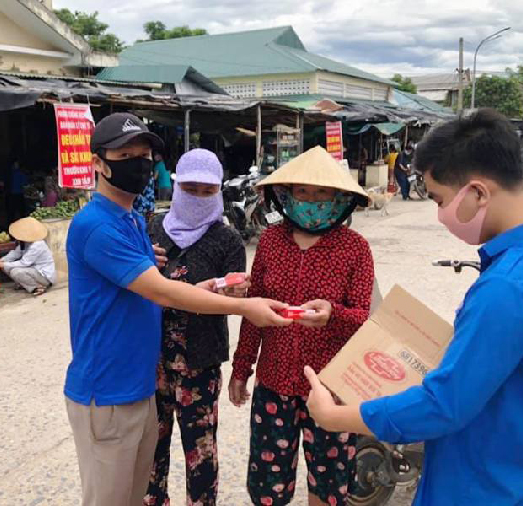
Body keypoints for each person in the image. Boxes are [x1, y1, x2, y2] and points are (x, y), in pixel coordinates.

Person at [304, 109, 523, 506]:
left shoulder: (509, 288)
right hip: (520, 478)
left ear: (478, 192)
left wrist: (334, 417)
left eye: (440, 200)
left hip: (475, 487)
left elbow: (443, 406)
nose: (440, 216)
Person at [64, 112, 290, 506]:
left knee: (142, 488)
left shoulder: (133, 223)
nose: (138, 164)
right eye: (124, 155)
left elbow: (149, 293)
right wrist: (246, 307)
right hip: (111, 389)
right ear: (98, 163)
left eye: (144, 156)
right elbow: (163, 292)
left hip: (143, 384)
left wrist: (205, 290)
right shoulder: (100, 226)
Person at [230, 146, 374, 506]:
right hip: (274, 384)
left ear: (339, 198)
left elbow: (363, 318)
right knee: (268, 487)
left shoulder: (355, 248)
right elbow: (254, 310)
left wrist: (332, 315)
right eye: (303, 192)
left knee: (329, 487)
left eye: (321, 193)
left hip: (331, 388)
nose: (311, 200)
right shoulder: (270, 241)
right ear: (287, 195)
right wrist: (241, 369)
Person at [144, 148, 247, 506]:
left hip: (200, 363)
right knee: (150, 448)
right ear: (176, 186)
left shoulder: (228, 240)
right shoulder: (152, 229)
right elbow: (134, 287)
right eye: (191, 189)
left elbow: (233, 296)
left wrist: (233, 293)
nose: (199, 197)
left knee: (200, 452)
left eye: (208, 191)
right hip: (151, 359)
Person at [0, 217, 56, 295]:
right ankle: (25, 284)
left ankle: (36, 287)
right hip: (32, 270)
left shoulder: (38, 244)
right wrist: (0, 261)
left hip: (44, 276)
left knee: (15, 272)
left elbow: (24, 263)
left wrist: (2, 264)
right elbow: (15, 253)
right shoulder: (25, 242)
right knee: (5, 267)